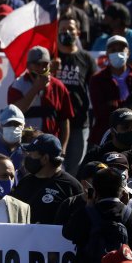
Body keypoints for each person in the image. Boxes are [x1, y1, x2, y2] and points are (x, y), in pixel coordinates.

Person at [8, 46, 75, 152]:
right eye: (37, 64)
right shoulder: (17, 86)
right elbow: (16, 112)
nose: (41, 68)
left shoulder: (59, 87)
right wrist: (36, 88)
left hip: (51, 147)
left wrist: (63, 148)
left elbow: (64, 120)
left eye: (45, 64)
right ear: (28, 66)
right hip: (25, 146)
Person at [88, 38, 132, 146]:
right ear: (107, 54)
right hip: (107, 134)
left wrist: (116, 104)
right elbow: (100, 111)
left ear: (128, 52)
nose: (117, 53)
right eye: (113, 50)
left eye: (121, 49)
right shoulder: (97, 79)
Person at [56, 16, 98, 175]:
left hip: (79, 122)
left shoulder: (86, 58)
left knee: (74, 168)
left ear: (78, 32)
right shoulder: (52, 56)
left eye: (71, 29)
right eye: (62, 29)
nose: (66, 32)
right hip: (54, 122)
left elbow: (95, 87)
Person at [13, 133, 83, 224]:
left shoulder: (71, 187)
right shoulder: (25, 182)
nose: (27, 157)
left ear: (45, 158)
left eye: (31, 154)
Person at [91, 3, 132, 70]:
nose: (103, 21)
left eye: (107, 18)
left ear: (117, 21)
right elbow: (93, 63)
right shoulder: (100, 41)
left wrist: (124, 62)